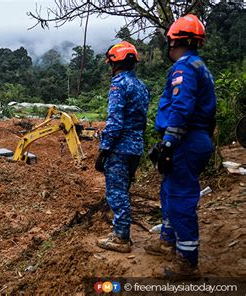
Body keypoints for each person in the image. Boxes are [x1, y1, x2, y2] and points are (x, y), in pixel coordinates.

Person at [145, 14, 216, 278]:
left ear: (175, 41)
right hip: (193, 138)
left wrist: (168, 143)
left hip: (185, 140)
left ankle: (187, 262)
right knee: (169, 190)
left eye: (170, 43)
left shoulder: (184, 68)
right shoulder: (200, 66)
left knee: (180, 198)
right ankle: (167, 241)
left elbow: (181, 107)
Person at [95, 41, 150, 253]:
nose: (110, 67)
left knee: (117, 194)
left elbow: (115, 123)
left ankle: (121, 238)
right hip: (136, 148)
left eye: (110, 63)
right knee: (124, 191)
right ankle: (120, 230)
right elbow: (142, 121)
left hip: (119, 149)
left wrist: (103, 151)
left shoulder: (119, 85)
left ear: (115, 63)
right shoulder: (141, 87)